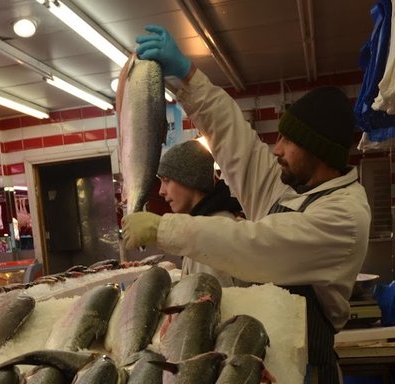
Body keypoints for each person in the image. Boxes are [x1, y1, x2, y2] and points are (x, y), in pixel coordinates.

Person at [121, 25, 371, 383]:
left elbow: (256, 245)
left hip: (308, 372)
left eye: (288, 141)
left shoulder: (344, 215)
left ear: (318, 151)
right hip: (266, 361)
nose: (277, 149)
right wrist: (188, 77)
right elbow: (234, 140)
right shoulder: (293, 189)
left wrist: (164, 228)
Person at [156, 139, 241, 287]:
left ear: (191, 179)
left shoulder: (212, 233)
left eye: (167, 180)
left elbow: (216, 305)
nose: (161, 191)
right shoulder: (204, 224)